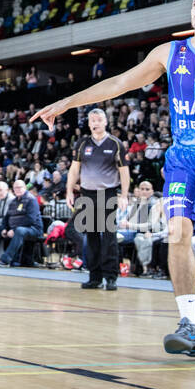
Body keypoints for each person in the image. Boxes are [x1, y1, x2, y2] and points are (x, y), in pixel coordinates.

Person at [35, 0, 195, 357]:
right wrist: (68, 102)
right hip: (185, 158)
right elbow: (119, 83)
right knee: (177, 234)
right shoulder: (170, 52)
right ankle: (190, 324)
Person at [67, 108, 129, 290]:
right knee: (92, 236)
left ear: (105, 122)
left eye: (99, 119)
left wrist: (124, 195)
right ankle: (94, 277)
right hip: (87, 193)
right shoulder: (82, 143)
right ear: (88, 124)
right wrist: (69, 191)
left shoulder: (115, 143)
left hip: (108, 193)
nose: (95, 123)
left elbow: (124, 172)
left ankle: (111, 277)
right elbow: (74, 169)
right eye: (92, 120)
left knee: (108, 236)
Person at [119, 179, 167, 276]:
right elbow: (128, 219)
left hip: (147, 232)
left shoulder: (154, 204)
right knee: (113, 236)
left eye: (147, 189)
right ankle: (116, 267)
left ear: (152, 191)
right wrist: (124, 223)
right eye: (142, 189)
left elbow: (152, 225)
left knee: (141, 239)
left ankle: (146, 268)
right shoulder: (137, 203)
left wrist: (130, 225)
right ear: (138, 190)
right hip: (133, 230)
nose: (144, 191)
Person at [0, 179, 43, 267]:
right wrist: (5, 228)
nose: (18, 189)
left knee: (19, 230)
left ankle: (5, 260)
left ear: (25, 188)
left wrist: (14, 229)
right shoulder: (13, 202)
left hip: (34, 229)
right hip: (18, 229)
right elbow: (6, 218)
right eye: (15, 188)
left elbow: (30, 219)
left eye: (20, 187)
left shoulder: (31, 200)